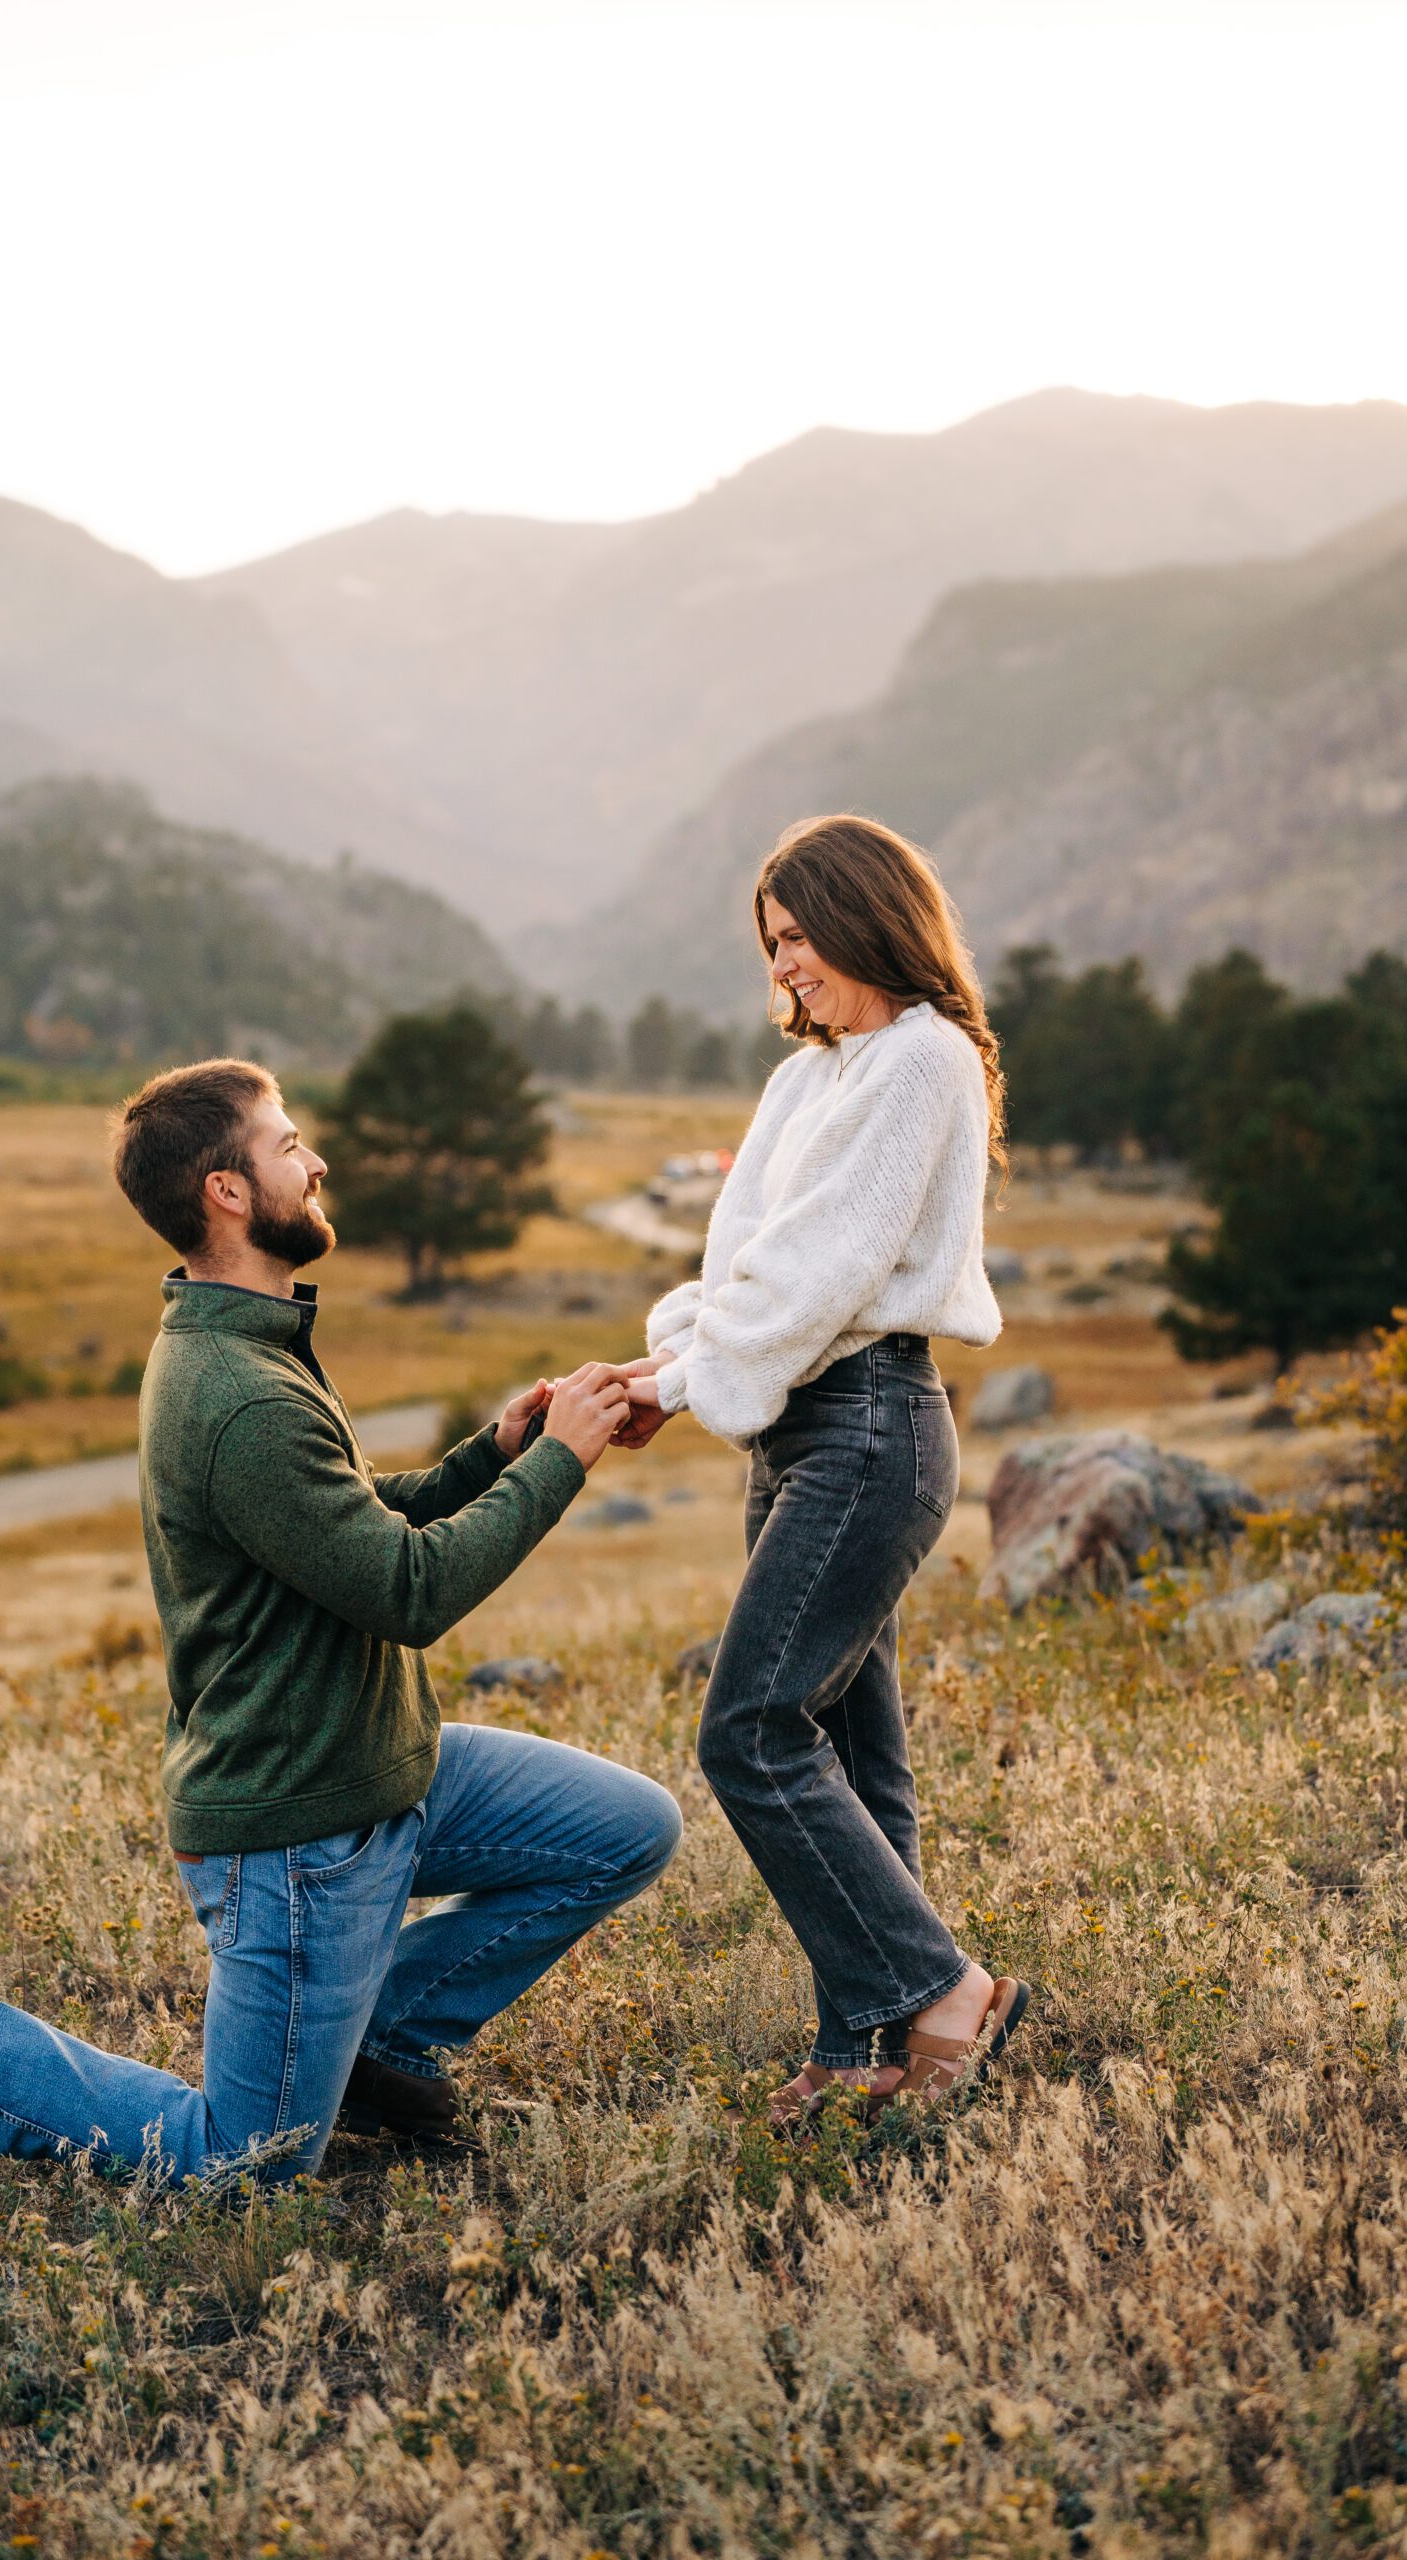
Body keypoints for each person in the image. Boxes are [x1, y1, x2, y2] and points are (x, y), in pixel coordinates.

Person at [0, 1057, 681, 2197]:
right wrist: (564, 1461)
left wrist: (494, 1455)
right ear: (226, 1191)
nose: (315, 1163)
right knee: (243, 2164)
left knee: (628, 1830)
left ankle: (376, 2040)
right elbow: (408, 1591)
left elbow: (346, 1526)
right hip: (298, 1835)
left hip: (388, 1774)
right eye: (289, 1145)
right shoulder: (238, 1392)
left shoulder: (250, 1343)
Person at [615, 814, 1028, 2130]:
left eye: (795, 938)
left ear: (864, 918)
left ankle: (942, 1988)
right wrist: (662, 1366)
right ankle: (863, 2045)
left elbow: (826, 1271)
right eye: (770, 945)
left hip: (868, 1426)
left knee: (746, 1728)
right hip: (795, 1432)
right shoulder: (806, 1082)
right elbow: (742, 1263)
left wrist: (683, 1383)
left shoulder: (922, 1061)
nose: (781, 968)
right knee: (850, 1746)